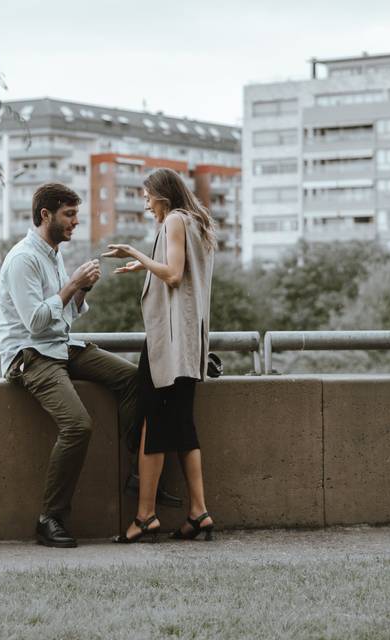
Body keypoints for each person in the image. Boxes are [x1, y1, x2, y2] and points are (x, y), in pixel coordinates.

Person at [0, 182, 140, 548]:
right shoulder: (22, 259)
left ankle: (136, 470)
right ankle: (50, 518)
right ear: (46, 215)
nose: (76, 222)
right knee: (77, 426)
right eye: (70, 215)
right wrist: (72, 282)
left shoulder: (53, 252)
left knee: (134, 378)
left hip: (60, 345)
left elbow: (67, 315)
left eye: (77, 215)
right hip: (29, 354)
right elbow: (36, 323)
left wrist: (82, 289)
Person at [103, 168, 216, 544]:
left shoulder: (173, 222)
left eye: (147, 195)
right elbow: (180, 275)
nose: (146, 202)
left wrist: (136, 252)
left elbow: (172, 274)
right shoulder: (197, 222)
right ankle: (198, 512)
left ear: (162, 195)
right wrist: (145, 265)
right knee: (183, 426)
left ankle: (145, 515)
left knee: (153, 421)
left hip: (168, 344)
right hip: (190, 340)